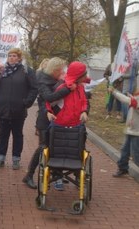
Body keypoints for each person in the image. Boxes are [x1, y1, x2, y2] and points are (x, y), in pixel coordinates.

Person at [22, 57, 69, 189]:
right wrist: (67, 89)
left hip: (58, 118)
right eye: (61, 70)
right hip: (45, 118)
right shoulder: (42, 81)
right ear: (54, 70)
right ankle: (29, 175)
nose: (63, 72)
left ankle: (56, 174)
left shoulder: (56, 79)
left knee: (57, 147)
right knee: (43, 147)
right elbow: (48, 98)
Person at [0, 48, 38, 170]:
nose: (11, 57)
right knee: (3, 134)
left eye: (14, 55)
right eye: (10, 55)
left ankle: (16, 159)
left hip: (18, 109)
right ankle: (1, 158)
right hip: (3, 108)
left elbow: (34, 88)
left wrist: (26, 103)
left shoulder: (26, 71)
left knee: (17, 135)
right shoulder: (2, 70)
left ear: (19, 58)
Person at [46, 61, 90, 190]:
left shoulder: (81, 88)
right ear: (78, 75)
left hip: (76, 125)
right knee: (57, 151)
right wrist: (49, 112)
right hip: (60, 124)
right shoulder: (63, 87)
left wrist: (84, 111)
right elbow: (50, 101)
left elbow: (84, 102)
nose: (85, 76)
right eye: (83, 74)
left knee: (78, 150)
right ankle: (57, 177)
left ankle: (78, 175)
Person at [109, 85, 139, 177]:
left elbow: (128, 100)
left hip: (137, 131)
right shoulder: (137, 96)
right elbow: (129, 100)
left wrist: (114, 92)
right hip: (130, 129)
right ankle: (123, 168)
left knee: (136, 154)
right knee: (125, 150)